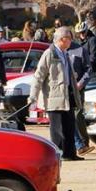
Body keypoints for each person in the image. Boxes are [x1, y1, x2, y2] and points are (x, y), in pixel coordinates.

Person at [29, 27, 82, 161]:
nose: (71, 41)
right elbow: (38, 76)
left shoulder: (65, 53)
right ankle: (57, 154)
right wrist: (33, 97)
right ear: (62, 39)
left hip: (67, 95)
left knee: (69, 125)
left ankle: (70, 153)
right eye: (69, 38)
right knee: (57, 129)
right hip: (54, 96)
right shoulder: (49, 54)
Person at [68, 24, 93, 154]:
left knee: (78, 115)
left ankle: (83, 141)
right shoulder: (57, 51)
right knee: (66, 116)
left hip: (77, 88)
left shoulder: (80, 50)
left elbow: (88, 69)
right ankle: (73, 144)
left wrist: (81, 83)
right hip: (63, 89)